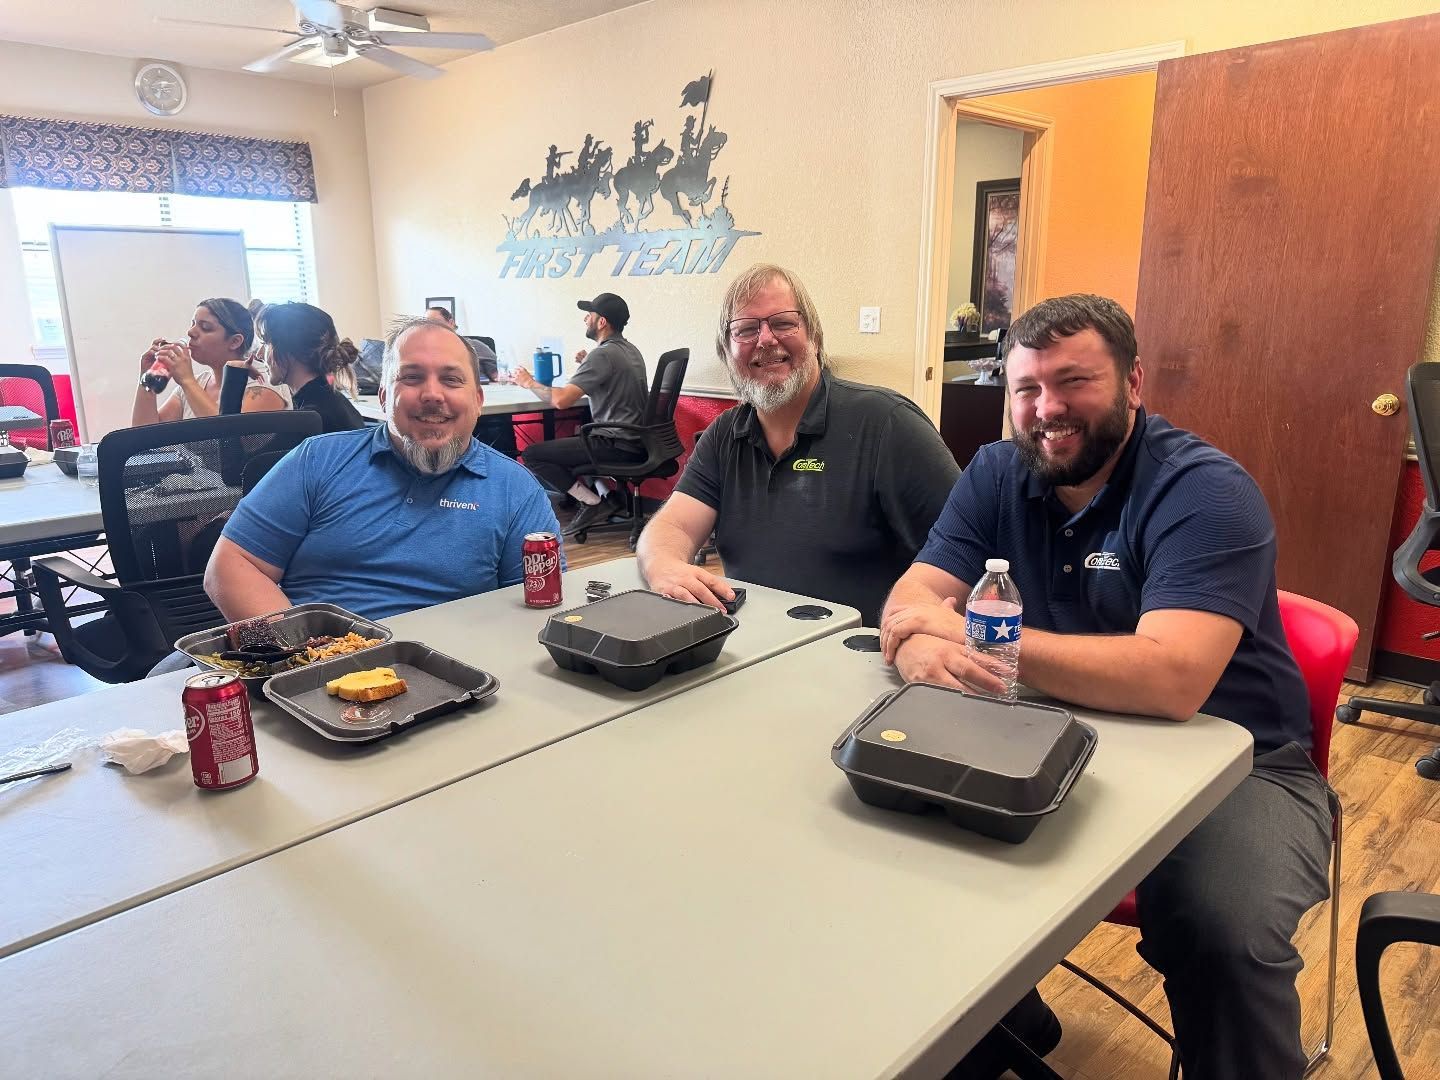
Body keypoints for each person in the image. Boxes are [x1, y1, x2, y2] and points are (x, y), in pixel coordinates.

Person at [881, 294, 1333, 1080]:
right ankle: (1000, 1023)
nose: (1046, 409)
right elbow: (911, 600)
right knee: (898, 851)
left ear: (1132, 383)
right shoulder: (994, 472)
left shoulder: (1205, 490)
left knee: (1220, 928)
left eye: (1073, 381)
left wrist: (975, 634)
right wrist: (919, 647)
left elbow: (1170, 679)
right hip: (1041, 737)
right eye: (1025, 389)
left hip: (1240, 764)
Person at [635, 263, 959, 626]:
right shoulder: (724, 436)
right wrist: (663, 565)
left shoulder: (887, 424)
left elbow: (964, 550)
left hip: (860, 658)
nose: (766, 339)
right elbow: (673, 526)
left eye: (784, 323)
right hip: (752, 649)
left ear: (815, 338)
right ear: (726, 353)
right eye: (745, 330)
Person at [204, 315, 561, 623]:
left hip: (453, 676)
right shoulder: (317, 460)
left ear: (477, 401)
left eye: (451, 379)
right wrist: (305, 656)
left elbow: (537, 610)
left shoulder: (516, 490)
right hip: (311, 668)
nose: (432, 394)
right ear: (384, 397)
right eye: (412, 377)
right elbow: (232, 565)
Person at [515, 292, 648, 535]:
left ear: (602, 322)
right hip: (635, 441)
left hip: (615, 444)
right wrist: (588, 361)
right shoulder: (629, 350)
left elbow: (561, 400)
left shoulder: (603, 355)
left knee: (533, 454)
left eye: (589, 315)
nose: (585, 319)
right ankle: (606, 495)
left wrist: (528, 382)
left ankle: (592, 502)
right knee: (578, 434)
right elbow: (613, 377)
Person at [130, 298, 289, 426]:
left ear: (235, 341)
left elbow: (227, 437)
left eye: (205, 327)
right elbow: (145, 435)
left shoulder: (263, 382)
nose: (190, 332)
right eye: (193, 324)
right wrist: (147, 379)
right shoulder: (197, 383)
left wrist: (187, 380)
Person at [254, 302, 366, 434]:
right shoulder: (335, 402)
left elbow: (229, 449)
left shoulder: (308, 421)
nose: (259, 354)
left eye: (266, 343)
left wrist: (234, 375)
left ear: (290, 349)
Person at [426, 306, 498, 381]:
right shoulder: (422, 349)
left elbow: (498, 376)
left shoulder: (475, 346)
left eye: (436, 322)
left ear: (451, 323)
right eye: (426, 323)